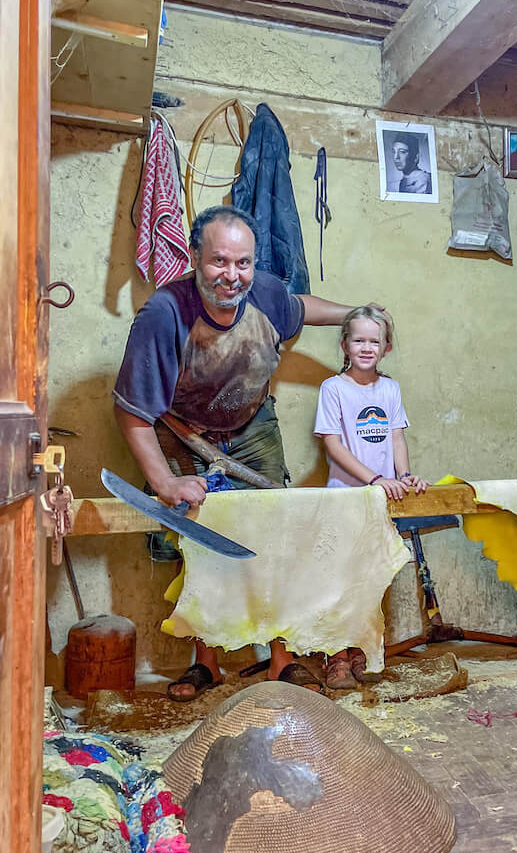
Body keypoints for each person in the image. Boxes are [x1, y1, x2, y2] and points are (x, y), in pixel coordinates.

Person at [113, 204, 387, 701]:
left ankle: (281, 664)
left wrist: (356, 315)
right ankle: (206, 665)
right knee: (198, 546)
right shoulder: (164, 313)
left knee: (276, 540)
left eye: (243, 263)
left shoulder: (264, 293)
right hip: (182, 430)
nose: (232, 276)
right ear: (194, 256)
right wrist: (165, 484)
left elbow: (302, 307)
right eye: (219, 261)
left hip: (252, 425)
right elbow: (133, 413)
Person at [314, 306, 428, 689]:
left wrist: (404, 476)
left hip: (381, 501)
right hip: (346, 498)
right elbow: (333, 445)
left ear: (387, 347)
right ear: (345, 344)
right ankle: (337, 656)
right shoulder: (334, 389)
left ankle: (362, 649)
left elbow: (396, 436)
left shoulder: (390, 389)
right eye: (358, 340)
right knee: (339, 579)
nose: (366, 347)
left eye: (374, 341)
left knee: (371, 578)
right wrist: (374, 478)